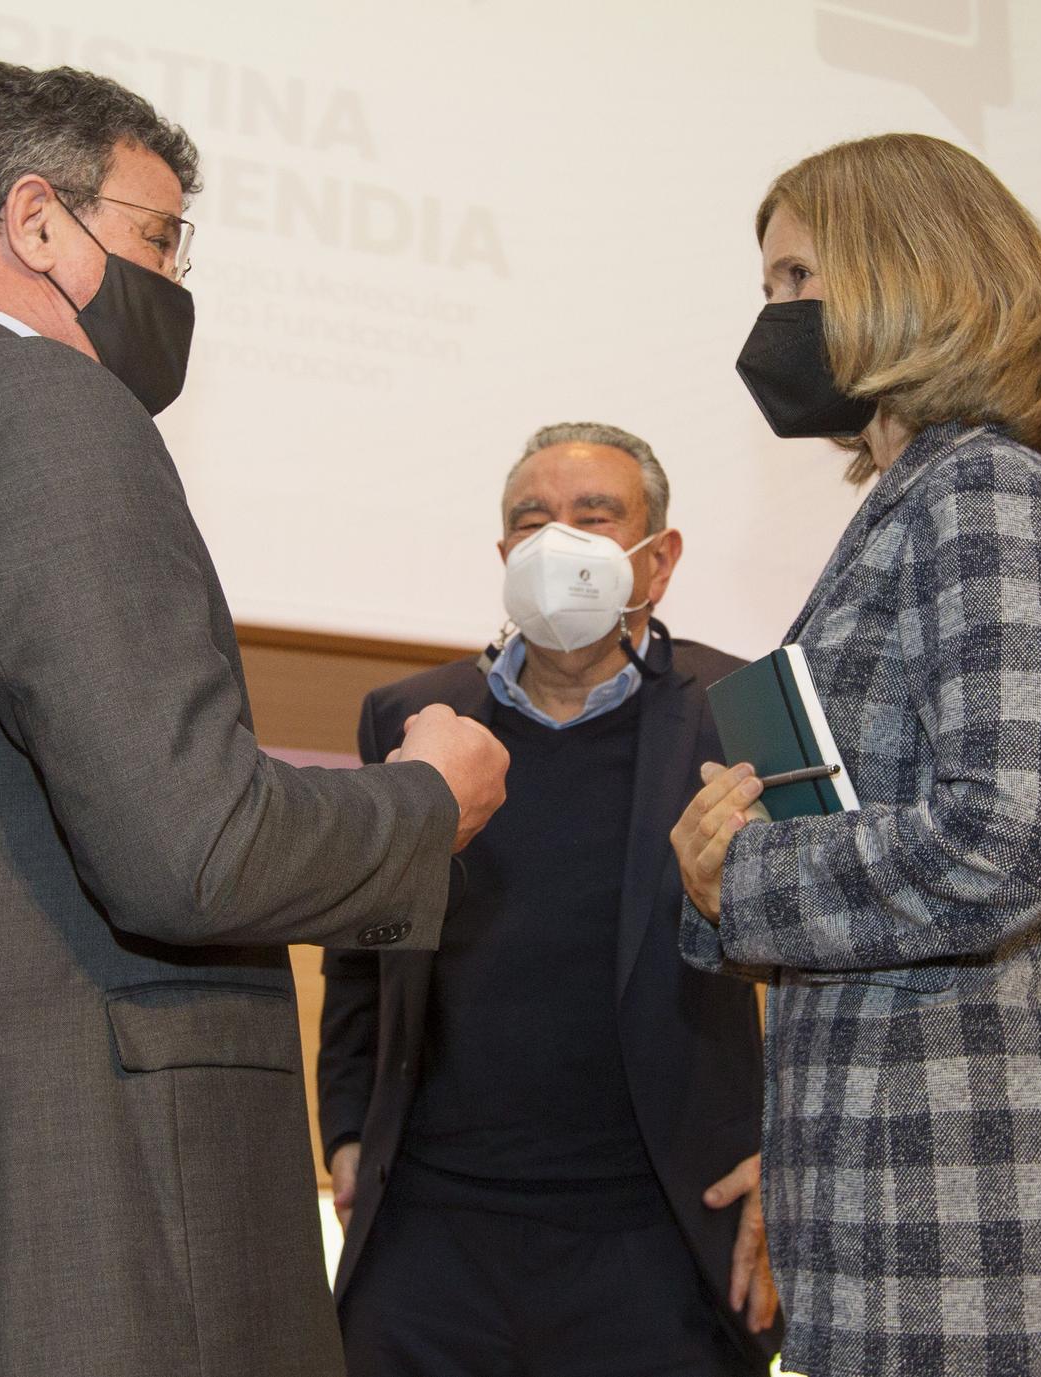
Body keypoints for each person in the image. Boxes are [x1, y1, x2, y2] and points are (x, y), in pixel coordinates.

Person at [0, 62, 507, 1377]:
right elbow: (185, 848)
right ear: (37, 222)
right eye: (157, 237)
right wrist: (426, 802)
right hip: (57, 1236)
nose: (177, 284)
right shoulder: (39, 401)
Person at [672, 134, 1041, 1377]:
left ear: (910, 274)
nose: (774, 318)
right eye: (767, 289)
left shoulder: (985, 496)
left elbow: (1001, 843)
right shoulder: (906, 506)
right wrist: (715, 875)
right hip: (897, 1201)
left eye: (797, 280)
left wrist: (740, 881)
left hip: (980, 1216)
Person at [318, 423, 780, 1376]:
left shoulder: (741, 709)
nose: (557, 540)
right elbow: (361, 943)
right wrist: (348, 1130)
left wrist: (798, 1153)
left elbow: (831, 957)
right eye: (532, 521)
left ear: (658, 560)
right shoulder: (414, 718)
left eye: (593, 517)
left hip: (659, 1240)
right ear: (502, 557)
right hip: (430, 1241)